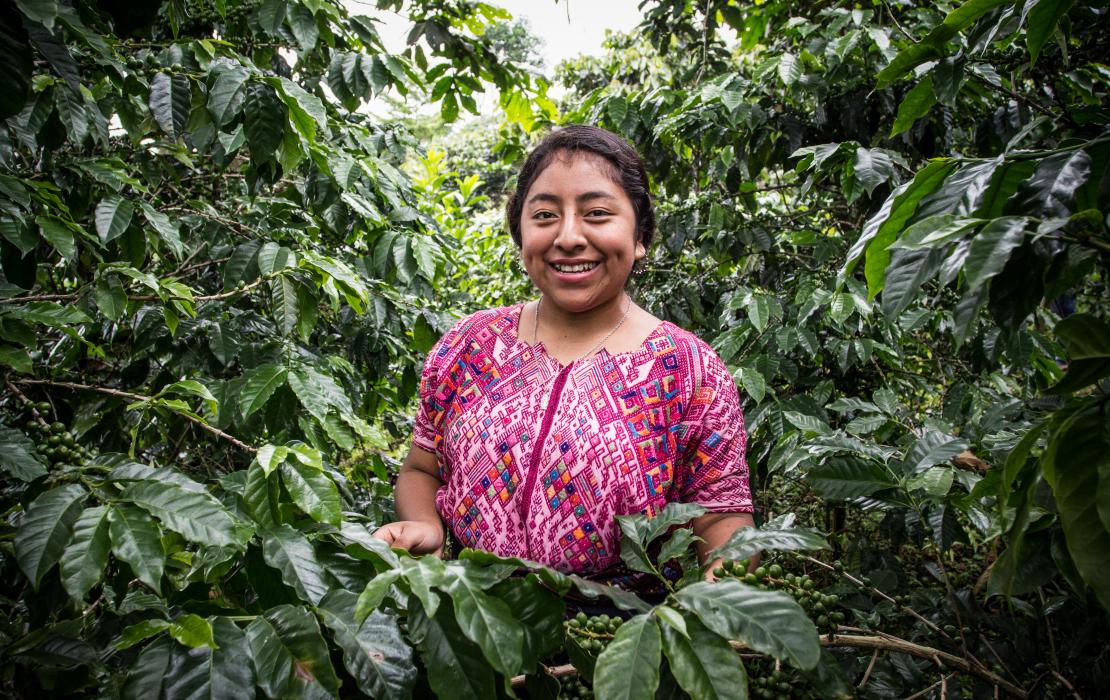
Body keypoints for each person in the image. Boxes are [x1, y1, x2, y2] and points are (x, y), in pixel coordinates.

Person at [372, 125, 753, 582]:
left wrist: (720, 590)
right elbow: (421, 468)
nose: (568, 237)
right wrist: (423, 526)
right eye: (546, 215)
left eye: (596, 213)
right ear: (521, 233)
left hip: (617, 641)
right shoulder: (469, 345)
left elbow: (721, 516)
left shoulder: (691, 370)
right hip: (471, 625)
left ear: (640, 236)